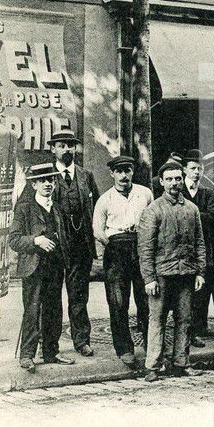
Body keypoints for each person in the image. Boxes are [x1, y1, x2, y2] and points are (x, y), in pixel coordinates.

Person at [137, 161, 206, 382]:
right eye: (169, 179)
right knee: (156, 320)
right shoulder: (153, 210)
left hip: (186, 274)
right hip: (161, 276)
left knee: (185, 320)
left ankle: (181, 363)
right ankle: (152, 367)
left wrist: (200, 272)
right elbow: (145, 248)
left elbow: (199, 243)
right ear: (161, 182)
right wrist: (149, 278)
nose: (174, 183)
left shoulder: (192, 209)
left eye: (177, 178)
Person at [8, 160, 72, 373]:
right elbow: (14, 240)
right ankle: (27, 356)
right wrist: (36, 241)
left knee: (54, 310)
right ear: (33, 185)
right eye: (42, 180)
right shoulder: (24, 209)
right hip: (33, 268)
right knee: (32, 310)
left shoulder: (57, 208)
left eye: (51, 179)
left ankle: (51, 352)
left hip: (55, 267)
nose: (47, 184)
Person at [92, 155, 154, 368]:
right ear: (112, 174)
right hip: (116, 250)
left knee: (146, 300)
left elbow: (153, 219)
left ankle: (151, 345)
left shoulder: (145, 194)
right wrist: (110, 243)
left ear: (132, 172)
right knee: (118, 302)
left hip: (140, 248)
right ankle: (125, 349)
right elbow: (97, 229)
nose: (124, 175)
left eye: (127, 170)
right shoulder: (105, 199)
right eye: (119, 171)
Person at [47, 127, 100, 358]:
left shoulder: (85, 175)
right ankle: (48, 343)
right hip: (54, 248)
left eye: (71, 145)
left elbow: (97, 208)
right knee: (51, 298)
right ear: (52, 149)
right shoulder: (44, 176)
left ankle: (81, 340)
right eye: (62, 145)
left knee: (79, 296)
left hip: (80, 247)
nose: (67, 149)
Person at [182, 149, 214, 346]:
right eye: (192, 168)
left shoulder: (208, 193)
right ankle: (191, 331)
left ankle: (208, 328)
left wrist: (191, 215)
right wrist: (201, 216)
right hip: (183, 250)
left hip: (208, 248)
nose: (196, 173)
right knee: (190, 293)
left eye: (199, 169)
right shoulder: (178, 191)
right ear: (185, 170)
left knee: (208, 287)